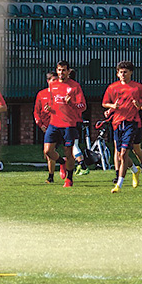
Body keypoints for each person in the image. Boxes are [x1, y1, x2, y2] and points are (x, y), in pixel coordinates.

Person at [102, 61, 142, 193]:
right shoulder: (112, 88)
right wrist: (112, 107)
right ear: (117, 74)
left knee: (124, 153)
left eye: (125, 72)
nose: (123, 74)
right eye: (121, 72)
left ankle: (119, 184)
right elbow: (105, 103)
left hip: (131, 122)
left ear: (131, 73)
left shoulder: (137, 87)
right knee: (119, 155)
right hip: (117, 123)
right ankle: (135, 170)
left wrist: (138, 104)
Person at [43, 60, 86, 188]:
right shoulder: (53, 85)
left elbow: (83, 106)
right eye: (59, 70)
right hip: (54, 123)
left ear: (68, 71)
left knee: (68, 152)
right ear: (57, 70)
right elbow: (51, 103)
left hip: (69, 124)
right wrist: (48, 108)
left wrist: (71, 103)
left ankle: (69, 179)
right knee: (48, 151)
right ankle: (62, 163)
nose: (61, 73)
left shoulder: (75, 86)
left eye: (64, 70)